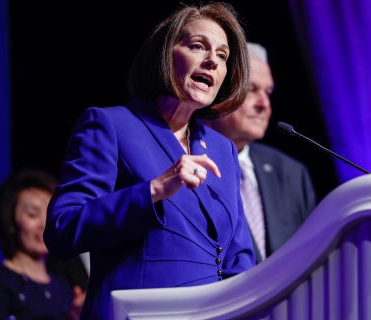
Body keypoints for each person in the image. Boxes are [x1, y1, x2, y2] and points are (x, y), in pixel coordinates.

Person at [43, 2, 255, 319]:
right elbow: (62, 229)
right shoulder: (110, 125)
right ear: (164, 54)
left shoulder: (223, 149)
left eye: (223, 56)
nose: (212, 61)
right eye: (198, 47)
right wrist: (152, 191)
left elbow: (240, 259)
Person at [205, 42, 317, 263]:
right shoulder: (184, 162)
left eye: (267, 92)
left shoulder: (291, 173)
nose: (265, 104)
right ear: (216, 90)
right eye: (251, 89)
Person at [0, 168, 85, 320]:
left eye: (50, 215)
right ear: (11, 222)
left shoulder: (64, 288)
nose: (44, 224)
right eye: (32, 215)